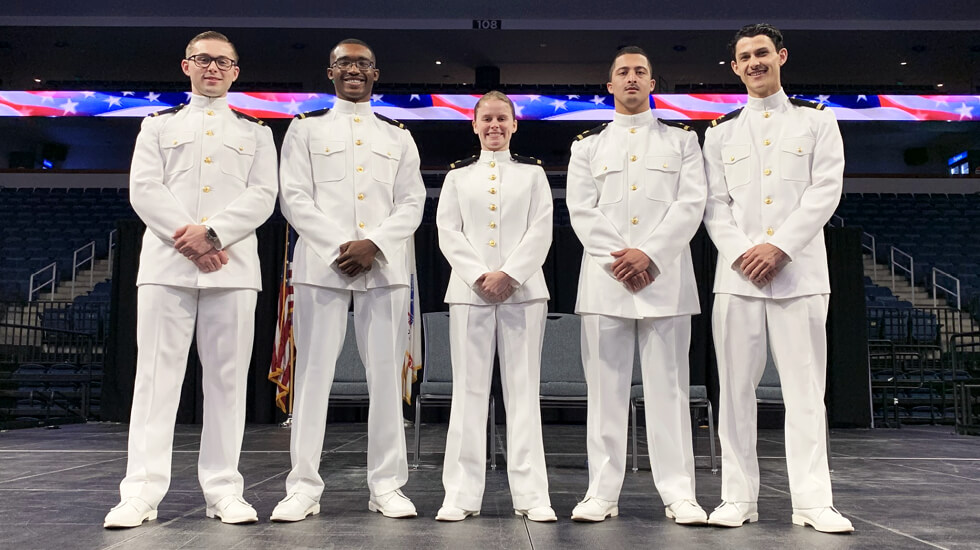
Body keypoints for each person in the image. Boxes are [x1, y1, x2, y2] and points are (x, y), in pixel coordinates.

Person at [103, 31, 278, 528]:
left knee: (226, 383)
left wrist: (214, 235)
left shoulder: (256, 132)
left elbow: (264, 195)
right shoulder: (157, 126)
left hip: (232, 269)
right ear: (186, 66)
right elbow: (144, 189)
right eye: (204, 60)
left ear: (236, 71)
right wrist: (192, 241)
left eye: (224, 62)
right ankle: (139, 491)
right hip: (166, 266)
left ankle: (224, 489)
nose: (213, 68)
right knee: (155, 381)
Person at [701, 23, 853, 533]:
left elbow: (824, 190)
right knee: (735, 392)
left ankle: (813, 502)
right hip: (738, 278)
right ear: (735, 67)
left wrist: (779, 247)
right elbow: (715, 205)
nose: (754, 63)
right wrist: (747, 252)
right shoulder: (719, 131)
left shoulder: (817, 122)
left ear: (781, 56)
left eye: (762, 53)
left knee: (806, 391)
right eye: (744, 57)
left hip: (800, 275)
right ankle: (736, 498)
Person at [274, 38, 425, 521]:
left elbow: (412, 203)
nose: (354, 70)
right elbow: (293, 197)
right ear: (330, 72)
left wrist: (373, 245)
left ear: (376, 74)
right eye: (345, 63)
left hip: (384, 268)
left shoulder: (398, 136)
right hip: (323, 267)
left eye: (363, 64)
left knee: (386, 379)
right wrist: (341, 245)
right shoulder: (304, 129)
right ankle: (302, 486)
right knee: (312, 377)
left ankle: (387, 486)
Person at [566, 46, 708, 524]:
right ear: (609, 85)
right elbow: (582, 211)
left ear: (653, 84)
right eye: (622, 72)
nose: (631, 78)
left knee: (670, 393)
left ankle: (679, 494)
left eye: (640, 72)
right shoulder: (586, 146)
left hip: (664, 282)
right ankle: (601, 494)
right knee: (605, 394)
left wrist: (649, 255)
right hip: (608, 284)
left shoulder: (683, 142)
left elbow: (690, 205)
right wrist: (624, 261)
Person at [434, 91, 556, 523]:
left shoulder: (532, 176)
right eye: (487, 119)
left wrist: (510, 274)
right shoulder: (457, 179)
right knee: (467, 394)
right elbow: (448, 232)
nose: (495, 127)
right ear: (474, 123)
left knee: (524, 393)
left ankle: (532, 495)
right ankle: (461, 495)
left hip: (523, 293)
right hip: (470, 293)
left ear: (515, 123)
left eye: (502, 119)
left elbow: (542, 230)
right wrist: (479, 275)